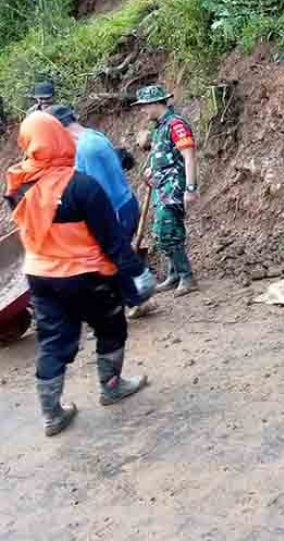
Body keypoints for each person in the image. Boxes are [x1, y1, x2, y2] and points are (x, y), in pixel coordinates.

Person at [5, 112, 155, 437]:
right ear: (59, 138)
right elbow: (112, 240)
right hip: (86, 274)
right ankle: (111, 387)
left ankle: (51, 414)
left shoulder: (17, 185)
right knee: (111, 327)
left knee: (52, 341)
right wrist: (137, 273)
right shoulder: (81, 186)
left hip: (40, 277)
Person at [134, 85, 199, 296]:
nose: (143, 110)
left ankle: (187, 277)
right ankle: (174, 275)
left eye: (145, 106)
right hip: (162, 188)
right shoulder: (160, 127)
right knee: (163, 231)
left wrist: (190, 188)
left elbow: (189, 156)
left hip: (174, 188)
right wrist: (152, 170)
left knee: (168, 232)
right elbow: (163, 155)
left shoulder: (176, 125)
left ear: (155, 103)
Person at [45, 105, 140, 243]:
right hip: (124, 205)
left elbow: (97, 195)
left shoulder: (87, 149)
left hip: (116, 213)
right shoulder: (91, 135)